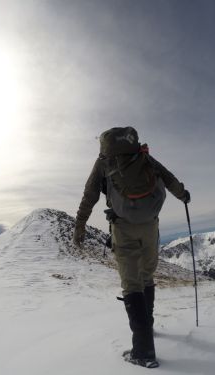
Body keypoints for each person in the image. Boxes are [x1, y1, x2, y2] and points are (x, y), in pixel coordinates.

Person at [73, 126, 190, 369]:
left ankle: (143, 351)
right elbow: (167, 177)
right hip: (150, 226)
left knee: (131, 283)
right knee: (147, 276)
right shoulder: (143, 156)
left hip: (123, 228)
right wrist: (183, 195)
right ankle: (148, 327)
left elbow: (89, 195)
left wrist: (80, 226)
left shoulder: (104, 163)